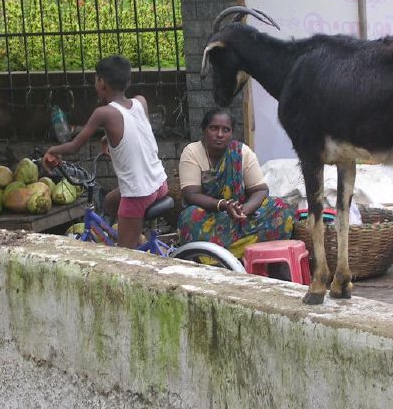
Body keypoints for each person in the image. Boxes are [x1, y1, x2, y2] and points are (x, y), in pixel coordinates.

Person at [42, 55, 167, 249]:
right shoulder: (140, 102)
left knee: (123, 258)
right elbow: (138, 133)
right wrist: (109, 138)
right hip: (159, 183)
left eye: (96, 78)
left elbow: (74, 146)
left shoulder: (104, 113)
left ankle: (131, 243)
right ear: (128, 81)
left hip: (138, 194)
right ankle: (133, 231)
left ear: (101, 83)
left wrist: (52, 151)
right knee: (109, 201)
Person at [177, 108, 294, 258]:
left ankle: (236, 253)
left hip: (239, 216)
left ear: (231, 133)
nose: (219, 134)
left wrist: (244, 210)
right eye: (214, 128)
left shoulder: (241, 152)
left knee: (281, 207)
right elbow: (191, 194)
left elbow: (260, 189)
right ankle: (218, 256)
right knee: (190, 218)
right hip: (209, 215)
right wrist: (224, 205)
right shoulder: (192, 152)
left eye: (226, 130)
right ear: (204, 130)